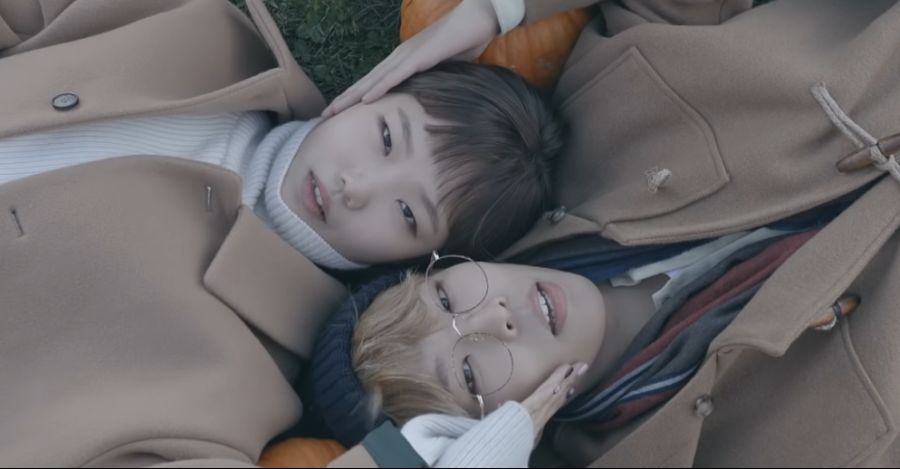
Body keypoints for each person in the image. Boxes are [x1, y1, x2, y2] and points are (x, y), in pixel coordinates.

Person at [317, 0, 900, 466]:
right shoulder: (675, 448)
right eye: (469, 372)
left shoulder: (599, 115)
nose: (496, 316)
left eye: (448, 298)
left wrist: (497, 9)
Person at [0, 0, 560, 466]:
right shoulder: (205, 36)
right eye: (387, 137)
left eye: (408, 214)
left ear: (418, 261)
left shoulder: (243, 372)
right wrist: (496, 9)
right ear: (387, 82)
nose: (356, 186)